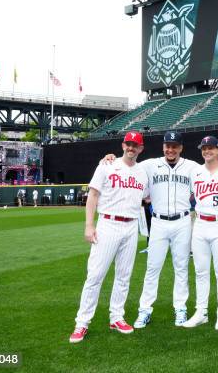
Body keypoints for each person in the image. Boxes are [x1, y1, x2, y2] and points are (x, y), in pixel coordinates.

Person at [69, 131, 149, 344]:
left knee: (124, 276)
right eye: (128, 144)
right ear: (123, 145)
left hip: (131, 226)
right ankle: (82, 323)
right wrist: (89, 225)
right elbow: (93, 195)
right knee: (95, 275)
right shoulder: (106, 165)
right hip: (108, 224)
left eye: (136, 145)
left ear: (141, 149)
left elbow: (148, 197)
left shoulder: (142, 173)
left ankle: (117, 317)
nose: (131, 148)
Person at [130, 131, 200, 329]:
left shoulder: (192, 167)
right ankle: (144, 310)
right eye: (167, 145)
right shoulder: (150, 165)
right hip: (159, 222)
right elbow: (128, 162)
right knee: (153, 268)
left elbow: (212, 173)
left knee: (181, 267)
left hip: (183, 221)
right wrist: (109, 158)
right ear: (163, 147)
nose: (170, 149)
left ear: (181, 148)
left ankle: (180, 308)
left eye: (174, 145)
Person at [182, 136, 218, 331]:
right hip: (200, 224)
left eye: (211, 148)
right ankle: (201, 312)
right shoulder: (195, 172)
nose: (207, 151)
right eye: (204, 148)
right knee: (200, 271)